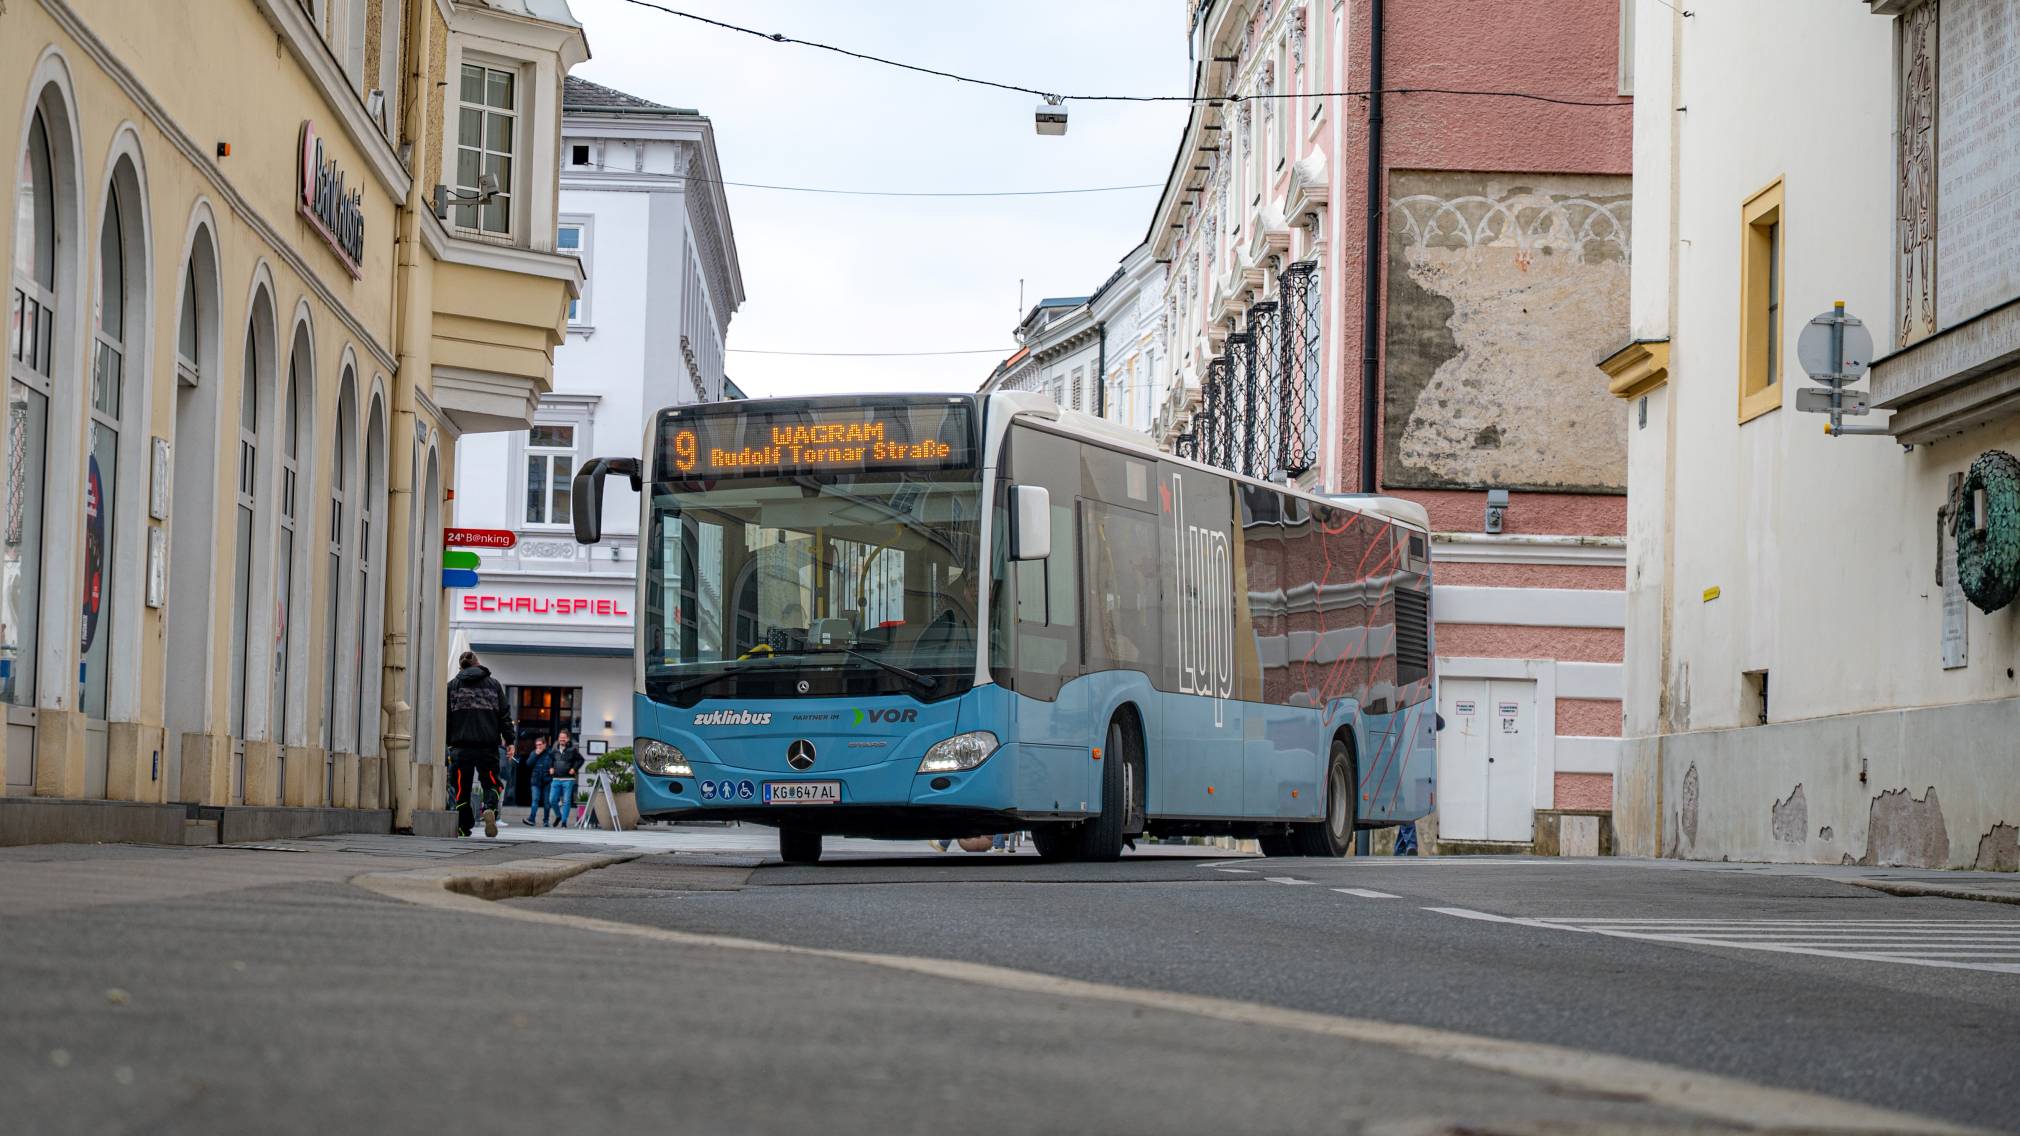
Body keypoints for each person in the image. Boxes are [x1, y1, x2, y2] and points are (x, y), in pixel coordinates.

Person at [445, 650, 513, 838]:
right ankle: (490, 808)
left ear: (461, 667)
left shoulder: (452, 686)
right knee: (491, 781)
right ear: (478, 664)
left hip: (460, 747)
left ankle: (463, 826)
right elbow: (504, 715)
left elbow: (446, 718)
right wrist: (510, 740)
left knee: (461, 788)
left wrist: (447, 742)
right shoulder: (493, 685)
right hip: (487, 746)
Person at [545, 729, 584, 828]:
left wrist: (574, 769)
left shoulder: (573, 749)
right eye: (560, 737)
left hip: (568, 779)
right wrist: (551, 767)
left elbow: (581, 760)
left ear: (568, 739)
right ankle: (558, 816)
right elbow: (550, 759)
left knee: (566, 801)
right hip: (556, 779)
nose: (561, 739)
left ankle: (564, 822)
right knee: (552, 800)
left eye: (563, 738)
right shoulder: (555, 749)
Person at [524, 735, 552, 826]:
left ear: (545, 745)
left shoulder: (550, 753)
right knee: (535, 800)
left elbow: (554, 764)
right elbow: (528, 764)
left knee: (547, 802)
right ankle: (532, 819)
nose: (538, 746)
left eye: (540, 744)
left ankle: (546, 821)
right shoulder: (533, 753)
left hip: (547, 781)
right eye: (537, 745)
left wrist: (553, 769)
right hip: (536, 781)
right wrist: (536, 754)